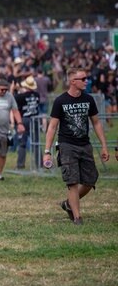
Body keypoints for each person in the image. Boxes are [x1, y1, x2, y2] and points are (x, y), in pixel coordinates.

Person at [43, 68, 109, 225]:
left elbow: (97, 122)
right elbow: (52, 127)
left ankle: (68, 204)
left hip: (85, 145)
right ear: (73, 82)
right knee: (72, 182)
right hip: (67, 145)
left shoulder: (88, 100)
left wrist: (104, 146)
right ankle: (77, 217)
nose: (87, 81)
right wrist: (47, 151)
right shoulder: (60, 101)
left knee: (90, 180)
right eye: (83, 79)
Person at [14, 76, 40, 170]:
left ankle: (20, 164)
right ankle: (39, 164)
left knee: (22, 143)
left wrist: (15, 90)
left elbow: (15, 99)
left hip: (25, 119)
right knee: (36, 143)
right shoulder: (37, 95)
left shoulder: (20, 96)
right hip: (36, 119)